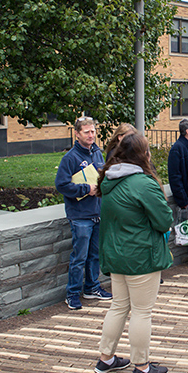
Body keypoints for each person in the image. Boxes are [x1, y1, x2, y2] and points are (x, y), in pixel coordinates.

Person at [94, 133, 172, 373]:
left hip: (116, 255)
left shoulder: (109, 180)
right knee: (141, 312)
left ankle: (106, 358)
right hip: (140, 257)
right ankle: (142, 367)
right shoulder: (143, 183)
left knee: (118, 306)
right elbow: (163, 220)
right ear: (142, 154)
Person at [55, 116, 113, 310]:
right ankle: (72, 294)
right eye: (87, 132)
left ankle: (92, 287)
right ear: (77, 134)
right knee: (79, 257)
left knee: (94, 255)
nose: (91, 135)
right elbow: (61, 185)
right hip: (80, 215)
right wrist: (84, 189)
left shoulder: (97, 153)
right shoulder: (70, 158)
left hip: (97, 212)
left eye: (93, 131)